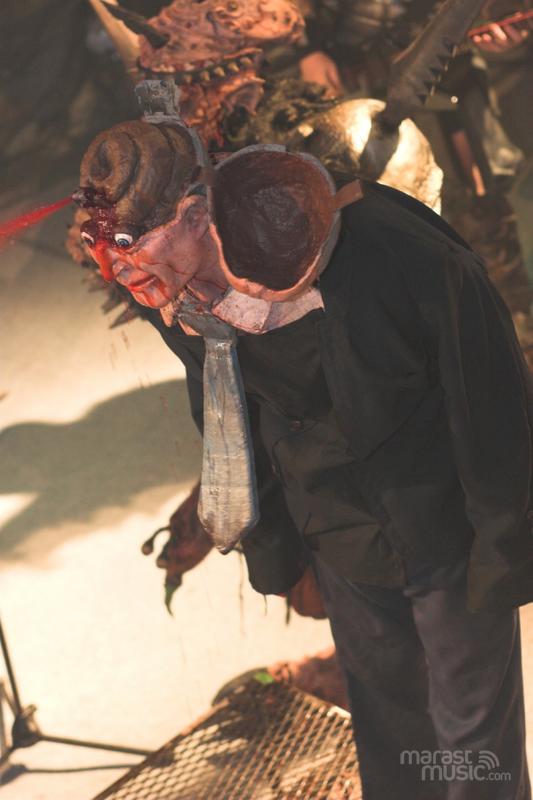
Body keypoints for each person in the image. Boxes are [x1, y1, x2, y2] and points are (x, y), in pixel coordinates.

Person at [75, 115, 533, 799]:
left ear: (196, 215)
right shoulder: (167, 291)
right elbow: (227, 418)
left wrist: (503, 547)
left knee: (472, 743)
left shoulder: (386, 248)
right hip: (337, 532)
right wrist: (280, 556)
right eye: (103, 245)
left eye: (129, 242)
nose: (119, 267)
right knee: (392, 733)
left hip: (443, 526)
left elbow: (488, 396)